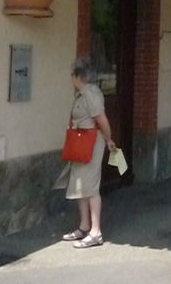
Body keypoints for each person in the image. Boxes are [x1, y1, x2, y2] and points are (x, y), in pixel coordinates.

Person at [54, 57, 116, 248]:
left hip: (90, 143)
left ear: (79, 76)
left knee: (90, 187)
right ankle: (84, 226)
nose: (71, 78)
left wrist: (108, 139)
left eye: (73, 74)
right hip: (80, 142)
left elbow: (102, 120)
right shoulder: (81, 93)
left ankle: (95, 231)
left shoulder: (91, 94)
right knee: (80, 186)